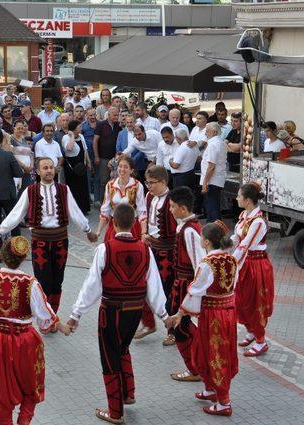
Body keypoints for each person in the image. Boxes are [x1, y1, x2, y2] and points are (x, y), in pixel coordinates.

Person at [67, 203, 170, 425]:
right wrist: (163, 315)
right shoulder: (145, 249)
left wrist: (76, 314)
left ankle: (115, 412)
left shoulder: (105, 249)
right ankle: (128, 393)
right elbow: (154, 284)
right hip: (134, 311)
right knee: (123, 348)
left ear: (113, 223)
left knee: (109, 357)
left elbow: (92, 286)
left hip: (111, 310)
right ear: (134, 223)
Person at [0, 157, 97, 313]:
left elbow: (75, 212)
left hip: (60, 241)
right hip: (40, 242)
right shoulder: (30, 191)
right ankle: (45, 316)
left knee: (57, 280)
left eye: (51, 167)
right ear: (38, 172)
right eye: (45, 168)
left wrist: (87, 230)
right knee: (42, 281)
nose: (49, 170)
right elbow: (16, 214)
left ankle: (52, 314)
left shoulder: (63, 189)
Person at [0, 236, 70, 425]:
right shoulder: (30, 283)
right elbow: (44, 316)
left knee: (0, 390)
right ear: (24, 258)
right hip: (22, 340)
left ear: (3, 255)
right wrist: (60, 325)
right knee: (30, 387)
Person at [165, 221, 238, 417]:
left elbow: (195, 291)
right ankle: (211, 389)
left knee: (215, 354)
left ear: (206, 241)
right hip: (228, 312)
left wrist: (180, 313)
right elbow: (232, 287)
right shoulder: (231, 259)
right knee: (209, 350)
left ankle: (224, 402)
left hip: (213, 315)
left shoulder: (207, 264)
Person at [232, 182, 274, 357]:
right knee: (241, 300)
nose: (237, 198)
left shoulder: (258, 222)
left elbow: (245, 245)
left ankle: (260, 341)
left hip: (255, 266)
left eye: (239, 196)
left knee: (255, 302)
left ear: (248, 200)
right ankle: (251, 331)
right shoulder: (244, 215)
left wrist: (229, 262)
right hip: (245, 263)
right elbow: (236, 238)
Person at [168, 186, 204, 382]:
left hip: (186, 284)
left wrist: (193, 292)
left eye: (173, 206)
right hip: (181, 282)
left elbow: (199, 264)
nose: (171, 210)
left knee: (180, 327)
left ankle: (195, 368)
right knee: (181, 325)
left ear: (183, 208)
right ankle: (196, 365)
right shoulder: (185, 227)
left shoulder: (190, 231)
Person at [136, 166, 176, 343]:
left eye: (152, 183)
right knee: (143, 286)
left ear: (163, 182)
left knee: (168, 292)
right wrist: (144, 233)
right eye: (147, 182)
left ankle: (172, 331)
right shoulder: (149, 196)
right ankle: (149, 323)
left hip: (168, 252)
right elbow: (144, 216)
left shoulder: (172, 200)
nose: (149, 186)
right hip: (151, 247)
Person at [96, 156, 147, 242]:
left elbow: (142, 210)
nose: (122, 169)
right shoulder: (110, 185)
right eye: (120, 166)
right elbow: (105, 210)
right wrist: (98, 231)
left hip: (132, 226)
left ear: (131, 170)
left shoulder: (137, 185)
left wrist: (143, 232)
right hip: (115, 226)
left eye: (126, 167)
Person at [62, 120, 92, 213]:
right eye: (79, 127)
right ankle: (74, 210)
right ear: (74, 128)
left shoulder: (81, 136)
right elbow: (69, 148)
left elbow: (85, 150)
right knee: (74, 188)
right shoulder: (66, 137)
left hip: (81, 165)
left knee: (83, 186)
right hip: (72, 166)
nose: (81, 128)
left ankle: (84, 208)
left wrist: (88, 162)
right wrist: (71, 136)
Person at [93, 107, 121, 204]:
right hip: (103, 157)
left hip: (116, 158)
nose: (116, 117)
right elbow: (95, 140)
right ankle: (103, 202)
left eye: (117, 115)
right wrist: (96, 156)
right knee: (104, 181)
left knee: (116, 180)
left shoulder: (119, 125)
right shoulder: (101, 124)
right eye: (114, 115)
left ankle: (113, 201)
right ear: (108, 115)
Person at [200, 123, 227, 223]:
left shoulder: (214, 144)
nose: (205, 133)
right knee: (212, 207)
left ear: (214, 132)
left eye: (207, 131)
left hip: (212, 180)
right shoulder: (219, 142)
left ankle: (215, 230)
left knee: (212, 208)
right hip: (215, 179)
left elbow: (211, 166)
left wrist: (205, 183)